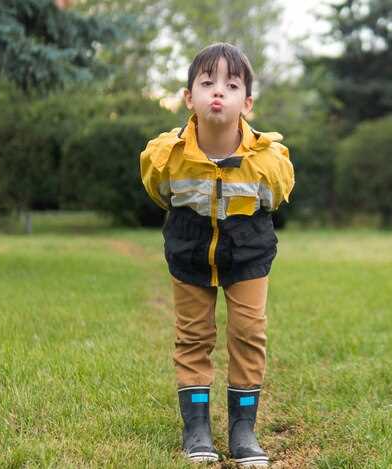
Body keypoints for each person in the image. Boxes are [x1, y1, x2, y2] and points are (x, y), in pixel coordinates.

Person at [139, 42, 295, 467]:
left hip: (247, 252)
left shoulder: (267, 160)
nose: (217, 92)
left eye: (230, 84)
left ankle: (243, 430)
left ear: (246, 102)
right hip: (190, 251)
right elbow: (159, 192)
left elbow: (277, 197)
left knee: (248, 333)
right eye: (207, 83)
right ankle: (197, 429)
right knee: (193, 337)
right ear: (189, 97)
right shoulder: (167, 155)